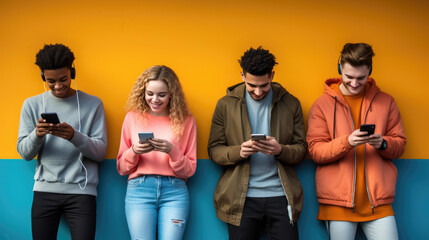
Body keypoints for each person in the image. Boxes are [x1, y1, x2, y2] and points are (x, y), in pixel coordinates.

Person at [306, 43, 406, 240]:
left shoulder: (387, 102)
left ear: (370, 71)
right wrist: (347, 142)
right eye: (349, 77)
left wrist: (383, 144)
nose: (354, 83)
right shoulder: (321, 105)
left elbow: (400, 144)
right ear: (340, 68)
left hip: (379, 202)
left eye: (361, 78)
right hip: (337, 203)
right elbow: (315, 151)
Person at [207, 46, 307, 240]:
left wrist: (280, 150)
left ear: (272, 75)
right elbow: (214, 150)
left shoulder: (291, 103)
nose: (258, 92)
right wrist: (239, 152)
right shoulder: (225, 105)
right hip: (241, 198)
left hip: (281, 195)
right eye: (252, 85)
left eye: (264, 85)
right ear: (242, 75)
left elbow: (301, 149)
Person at [17, 43, 108, 240]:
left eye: (63, 79)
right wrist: (37, 135)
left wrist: (74, 136)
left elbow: (100, 152)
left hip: (82, 193)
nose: (58, 86)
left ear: (72, 72)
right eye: (51, 81)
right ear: (43, 76)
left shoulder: (94, 104)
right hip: (44, 191)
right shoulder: (31, 104)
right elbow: (25, 153)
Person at [116, 65, 197, 240]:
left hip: (175, 192)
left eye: (162, 95)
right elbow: (121, 168)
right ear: (143, 92)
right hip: (139, 190)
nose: (155, 99)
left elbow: (189, 170)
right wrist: (134, 151)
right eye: (150, 93)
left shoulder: (187, 121)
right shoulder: (132, 117)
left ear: (172, 94)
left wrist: (172, 151)